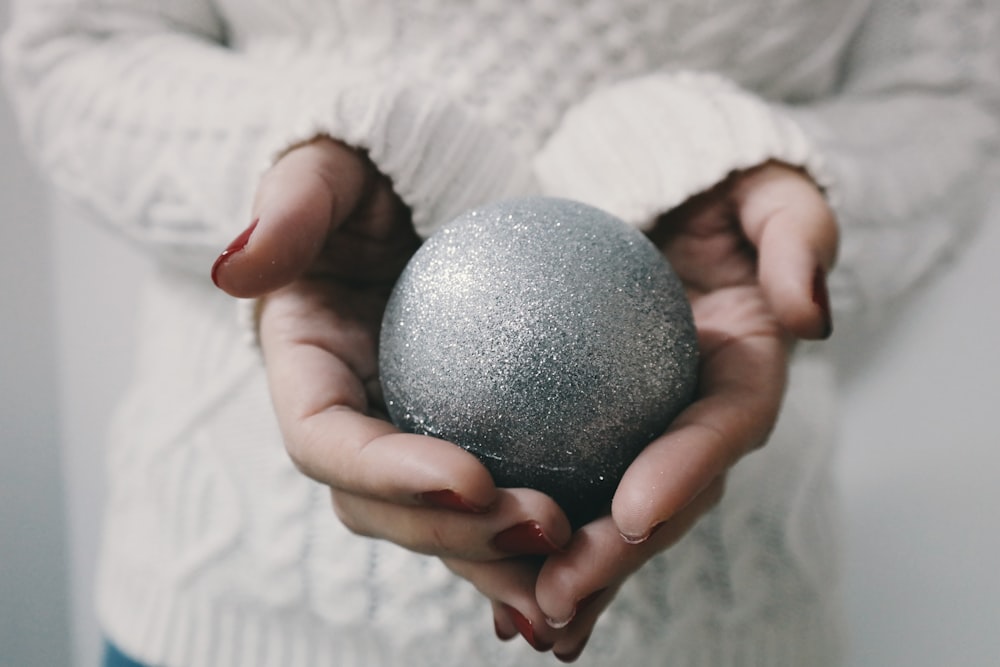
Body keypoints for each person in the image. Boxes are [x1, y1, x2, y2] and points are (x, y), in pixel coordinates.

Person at [3, 1, 998, 666]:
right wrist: (311, 155)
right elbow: (71, 42)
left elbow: (950, 94)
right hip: (227, 610)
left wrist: (715, 162)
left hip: (732, 617)